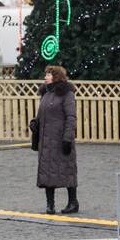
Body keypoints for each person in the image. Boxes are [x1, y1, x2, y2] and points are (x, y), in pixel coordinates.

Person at [36, 65, 79, 214]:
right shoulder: (46, 93)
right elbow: (42, 114)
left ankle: (73, 202)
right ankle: (50, 204)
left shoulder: (66, 94)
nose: (45, 77)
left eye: (48, 74)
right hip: (46, 141)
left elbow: (71, 117)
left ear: (56, 76)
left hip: (61, 140)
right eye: (46, 74)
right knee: (47, 172)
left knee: (67, 171)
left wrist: (68, 138)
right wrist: (35, 124)